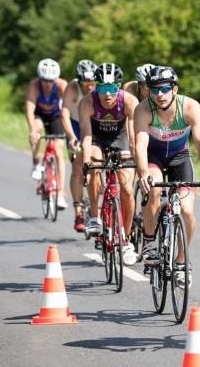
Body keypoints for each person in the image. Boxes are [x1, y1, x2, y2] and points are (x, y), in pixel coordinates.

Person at [133, 66, 200, 288]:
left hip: (180, 157)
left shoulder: (190, 107)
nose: (159, 95)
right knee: (153, 189)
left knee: (188, 211)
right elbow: (141, 144)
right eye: (154, 90)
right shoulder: (143, 110)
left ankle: (182, 263)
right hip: (153, 157)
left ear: (174, 88)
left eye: (164, 89)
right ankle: (150, 240)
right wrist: (143, 173)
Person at [79, 62, 140, 265]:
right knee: (94, 166)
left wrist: (136, 160)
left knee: (128, 191)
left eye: (112, 88)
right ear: (96, 87)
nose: (107, 94)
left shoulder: (129, 101)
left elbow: (133, 137)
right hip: (97, 139)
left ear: (119, 87)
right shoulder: (87, 102)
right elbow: (86, 137)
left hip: (121, 139)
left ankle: (126, 238)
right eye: (103, 88)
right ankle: (95, 216)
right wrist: (87, 164)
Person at [25, 58, 69, 210]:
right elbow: (29, 110)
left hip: (56, 116)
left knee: (58, 151)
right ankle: (36, 162)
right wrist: (32, 130)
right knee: (37, 129)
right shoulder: (34, 86)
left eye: (51, 81)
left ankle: (61, 193)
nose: (48, 84)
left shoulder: (62, 85)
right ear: (40, 78)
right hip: (39, 115)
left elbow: (69, 108)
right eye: (45, 80)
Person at [62, 60, 99, 232]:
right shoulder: (72, 88)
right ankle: (78, 211)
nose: (90, 88)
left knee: (100, 163)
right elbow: (64, 114)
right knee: (78, 166)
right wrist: (71, 137)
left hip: (94, 124)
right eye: (86, 85)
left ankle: (100, 205)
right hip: (76, 126)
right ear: (79, 82)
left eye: (93, 84)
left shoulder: (100, 88)